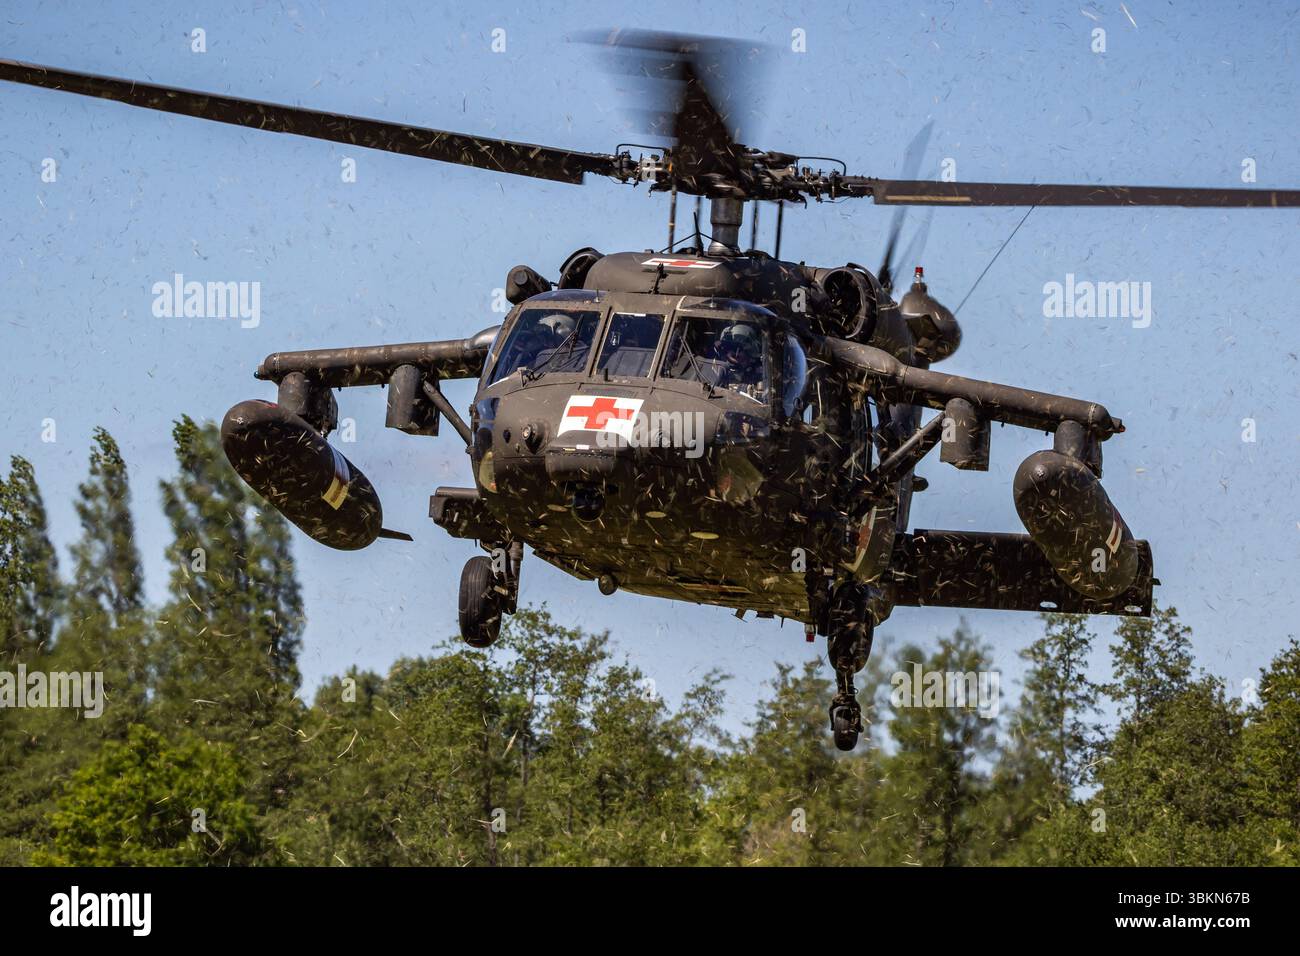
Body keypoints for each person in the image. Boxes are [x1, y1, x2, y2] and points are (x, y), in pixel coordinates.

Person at [715, 322, 763, 392]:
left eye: (738, 348)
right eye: (729, 348)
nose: (733, 353)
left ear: (749, 351)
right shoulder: (716, 370)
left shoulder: (759, 375)